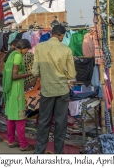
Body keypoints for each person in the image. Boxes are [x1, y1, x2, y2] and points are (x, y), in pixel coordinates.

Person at [32, 24, 77, 154]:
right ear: (61, 35)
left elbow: (35, 72)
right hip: (62, 90)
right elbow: (72, 74)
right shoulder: (66, 49)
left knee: (44, 121)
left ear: (52, 33)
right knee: (60, 122)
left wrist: (45, 74)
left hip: (47, 90)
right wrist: (63, 74)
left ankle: (39, 152)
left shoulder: (40, 47)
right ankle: (59, 153)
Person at [3, 39, 35, 151]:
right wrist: (30, 73)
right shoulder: (17, 56)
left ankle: (11, 141)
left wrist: (27, 85)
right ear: (24, 48)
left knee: (11, 118)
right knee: (20, 119)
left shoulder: (11, 54)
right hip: (16, 92)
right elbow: (15, 76)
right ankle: (23, 144)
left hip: (11, 90)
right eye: (27, 49)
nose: (27, 52)